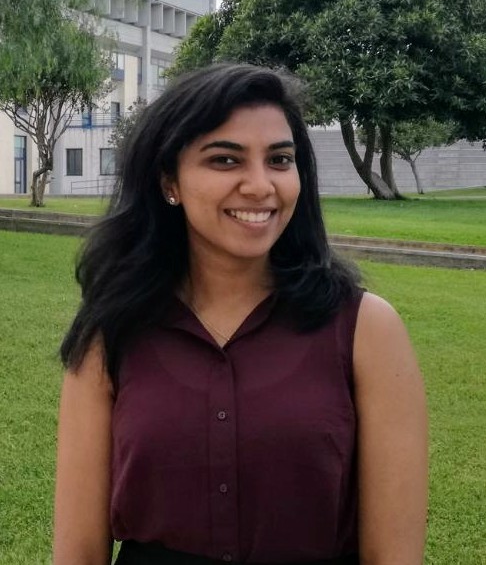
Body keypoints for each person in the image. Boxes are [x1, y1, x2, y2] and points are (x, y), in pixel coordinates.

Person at [54, 63, 428, 565]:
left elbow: (393, 555)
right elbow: (78, 552)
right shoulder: (112, 332)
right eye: (225, 160)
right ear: (170, 181)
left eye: (279, 159)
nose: (260, 185)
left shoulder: (366, 329)